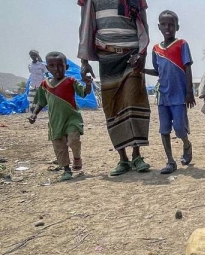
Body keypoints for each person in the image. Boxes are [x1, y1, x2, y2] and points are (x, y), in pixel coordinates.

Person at [78, 0, 152, 176]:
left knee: (135, 102)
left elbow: (144, 24)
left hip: (132, 55)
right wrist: (84, 62)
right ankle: (123, 158)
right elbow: (85, 25)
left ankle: (137, 155)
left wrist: (142, 55)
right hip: (107, 56)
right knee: (112, 107)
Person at [143, 10, 195, 174]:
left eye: (171, 24)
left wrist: (189, 92)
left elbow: (187, 68)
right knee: (164, 129)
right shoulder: (156, 49)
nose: (168, 27)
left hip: (179, 95)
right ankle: (170, 161)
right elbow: (158, 71)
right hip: (162, 96)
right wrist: (142, 69)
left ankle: (186, 144)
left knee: (179, 127)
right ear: (159, 26)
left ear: (177, 27)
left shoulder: (182, 44)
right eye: (164, 24)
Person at [27, 52, 92, 181]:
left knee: (74, 139)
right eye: (52, 66)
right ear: (47, 68)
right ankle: (66, 170)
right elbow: (41, 101)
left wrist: (88, 84)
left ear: (66, 67)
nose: (56, 69)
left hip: (72, 117)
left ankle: (77, 157)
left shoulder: (71, 81)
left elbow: (84, 93)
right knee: (59, 146)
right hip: (55, 121)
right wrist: (34, 114)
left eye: (60, 66)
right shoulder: (45, 85)